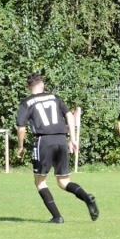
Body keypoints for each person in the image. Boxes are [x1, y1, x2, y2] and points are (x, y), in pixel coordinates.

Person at [15, 72, 99, 224]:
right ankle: (86, 197)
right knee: (64, 181)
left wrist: (20, 146)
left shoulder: (26, 102)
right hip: (61, 139)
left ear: (28, 87)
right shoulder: (54, 97)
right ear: (42, 84)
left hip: (44, 140)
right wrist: (72, 139)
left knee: (40, 182)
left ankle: (57, 217)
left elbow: (21, 128)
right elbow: (69, 115)